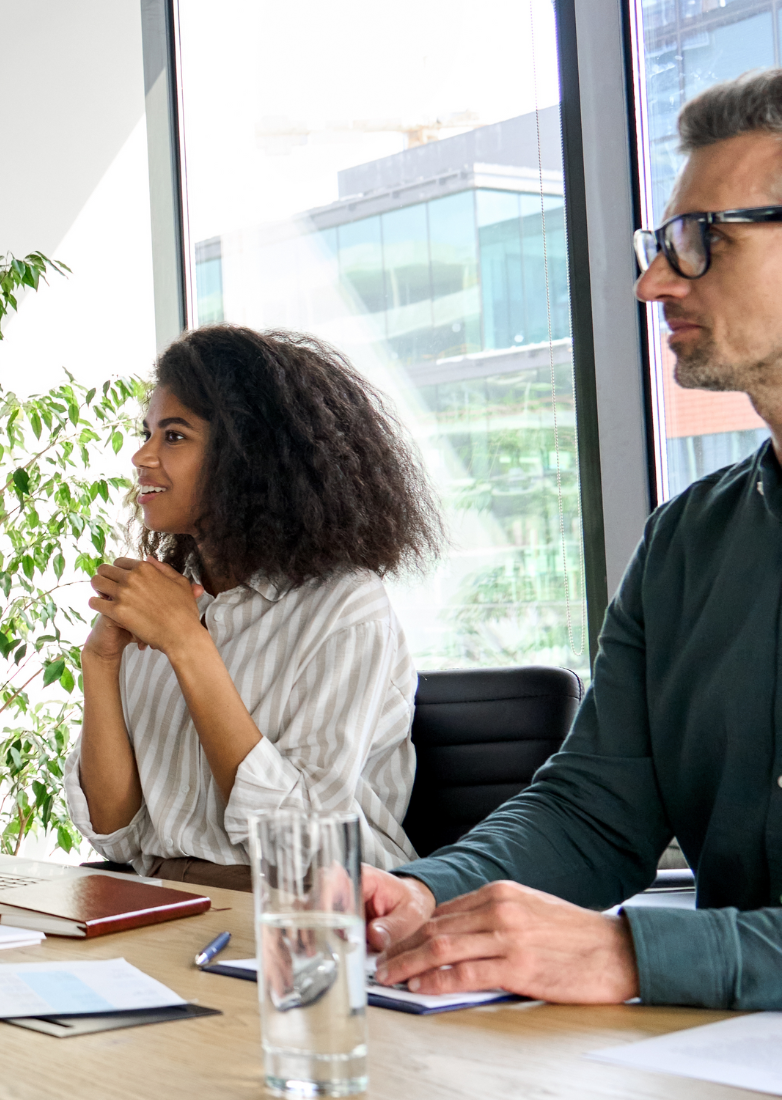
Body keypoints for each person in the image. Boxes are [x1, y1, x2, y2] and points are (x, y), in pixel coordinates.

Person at [364, 69, 782, 1013]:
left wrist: (637, 955)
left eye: (700, 240)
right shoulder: (686, 542)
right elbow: (595, 809)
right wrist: (428, 891)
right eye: (662, 243)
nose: (653, 281)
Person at [67, 326, 441, 890]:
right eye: (147, 433)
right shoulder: (164, 600)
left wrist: (189, 646)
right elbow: (115, 832)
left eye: (173, 436)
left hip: (306, 915)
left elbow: (304, 845)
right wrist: (99, 662)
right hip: (162, 899)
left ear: (246, 454)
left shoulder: (345, 607)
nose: (141, 457)